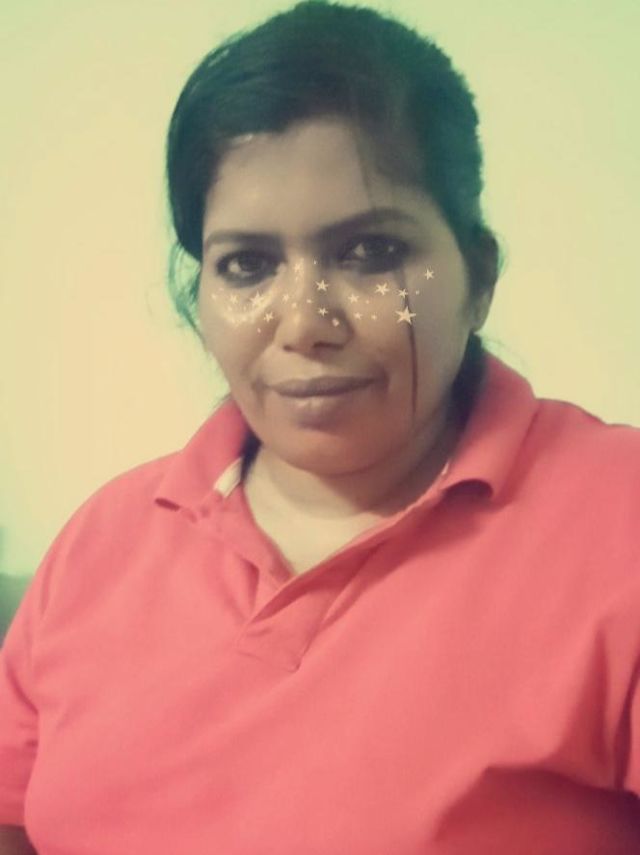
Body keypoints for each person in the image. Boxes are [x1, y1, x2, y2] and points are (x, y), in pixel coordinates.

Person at [1, 1, 639, 852]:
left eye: (370, 253)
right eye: (247, 265)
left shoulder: (616, 519)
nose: (303, 323)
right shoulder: (104, 540)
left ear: (478, 276)